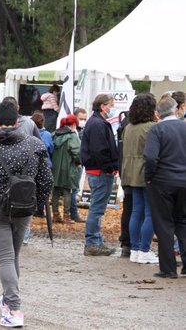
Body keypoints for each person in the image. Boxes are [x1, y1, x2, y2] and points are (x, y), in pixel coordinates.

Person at [0, 101, 53, 328]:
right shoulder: (35, 144)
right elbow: (47, 180)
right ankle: (8, 302)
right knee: (12, 256)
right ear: (18, 122)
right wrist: (37, 203)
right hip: (24, 205)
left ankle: (14, 308)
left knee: (6, 257)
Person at [144, 96, 186, 278]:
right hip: (184, 181)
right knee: (183, 222)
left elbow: (151, 157)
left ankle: (168, 268)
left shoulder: (157, 130)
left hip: (162, 181)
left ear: (157, 113)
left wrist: (149, 177)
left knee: (164, 224)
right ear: (176, 109)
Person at [121, 94, 158, 264]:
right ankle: (144, 249)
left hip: (130, 171)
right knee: (150, 212)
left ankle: (135, 249)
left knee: (136, 211)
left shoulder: (129, 127)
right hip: (146, 172)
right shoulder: (151, 127)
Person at [80, 94, 119, 256]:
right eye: (111, 105)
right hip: (100, 171)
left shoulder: (96, 122)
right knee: (97, 208)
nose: (112, 108)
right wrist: (109, 167)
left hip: (99, 170)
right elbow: (99, 150)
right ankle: (93, 242)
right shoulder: (97, 124)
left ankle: (96, 240)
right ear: (103, 106)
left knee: (98, 207)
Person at [51, 115, 82, 223]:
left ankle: (55, 215)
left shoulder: (54, 134)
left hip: (54, 167)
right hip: (68, 167)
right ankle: (67, 216)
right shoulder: (72, 136)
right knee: (67, 192)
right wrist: (78, 162)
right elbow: (77, 152)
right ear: (73, 124)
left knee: (55, 191)